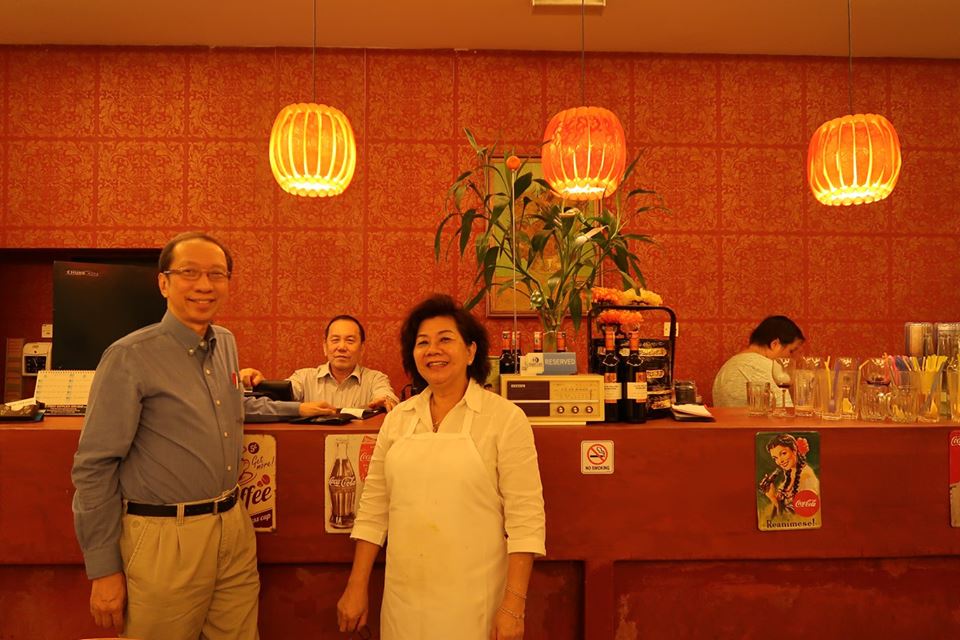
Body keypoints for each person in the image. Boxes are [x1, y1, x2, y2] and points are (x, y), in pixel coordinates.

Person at [71, 232, 263, 639]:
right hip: (164, 538)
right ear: (163, 282)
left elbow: (228, 409)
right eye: (189, 272)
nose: (204, 285)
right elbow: (94, 467)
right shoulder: (129, 356)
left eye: (217, 274)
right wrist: (103, 569)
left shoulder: (226, 344)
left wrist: (299, 409)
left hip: (233, 527)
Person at [336, 294, 546, 640]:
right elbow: (374, 508)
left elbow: (526, 520)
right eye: (422, 343)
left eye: (445, 339)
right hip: (404, 600)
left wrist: (513, 607)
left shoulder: (505, 419)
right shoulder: (398, 419)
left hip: (475, 601)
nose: (433, 350)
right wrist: (356, 586)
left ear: (471, 351)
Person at [241, 315, 399, 417]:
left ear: (362, 348)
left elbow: (386, 396)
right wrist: (259, 385)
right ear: (325, 347)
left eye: (350, 341)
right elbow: (279, 398)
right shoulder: (303, 377)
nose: (341, 347)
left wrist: (385, 401)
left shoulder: (375, 379)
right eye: (335, 340)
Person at [711, 315, 805, 407]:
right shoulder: (769, 368)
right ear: (775, 344)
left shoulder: (725, 368)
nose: (791, 357)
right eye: (791, 351)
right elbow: (785, 410)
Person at [759, 433, 820, 519]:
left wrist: (772, 497)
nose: (780, 461)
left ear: (794, 450)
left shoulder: (807, 477)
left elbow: (798, 518)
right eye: (775, 458)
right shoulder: (789, 473)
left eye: (783, 453)